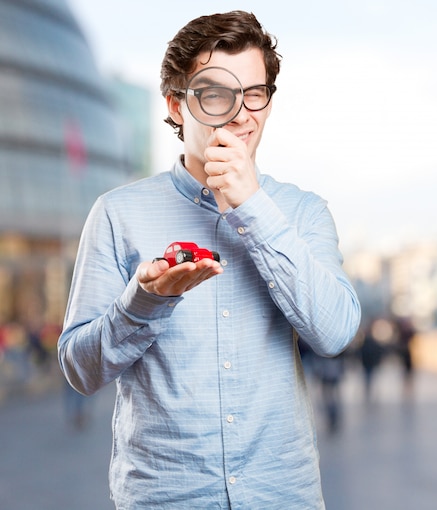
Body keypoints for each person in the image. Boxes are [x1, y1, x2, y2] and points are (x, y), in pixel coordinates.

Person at [58, 11, 361, 509]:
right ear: (177, 105)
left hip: (281, 496)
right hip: (164, 497)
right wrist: (145, 301)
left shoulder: (302, 212)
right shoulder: (118, 213)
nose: (242, 115)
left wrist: (253, 208)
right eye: (218, 94)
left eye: (256, 94)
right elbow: (79, 370)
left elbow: (334, 333)